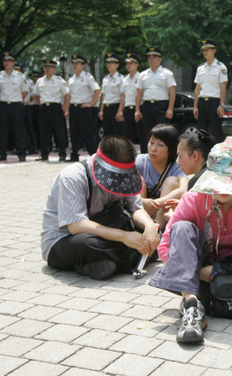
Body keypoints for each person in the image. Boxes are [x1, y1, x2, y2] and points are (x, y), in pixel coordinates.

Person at [149, 142, 232, 342]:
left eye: (230, 182)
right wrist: (202, 272)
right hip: (202, 279)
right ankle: (191, 307)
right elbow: (165, 248)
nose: (223, 189)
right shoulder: (193, 199)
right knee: (182, 228)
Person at [41, 135, 160, 280]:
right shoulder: (73, 176)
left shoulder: (126, 176)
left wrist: (150, 227)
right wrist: (124, 237)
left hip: (106, 230)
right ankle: (134, 256)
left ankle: (114, 261)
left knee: (146, 232)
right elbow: (76, 226)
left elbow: (135, 207)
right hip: (67, 240)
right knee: (87, 244)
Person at [135, 124, 189, 230]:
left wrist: (155, 203)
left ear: (171, 149)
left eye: (160, 145)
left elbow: (184, 190)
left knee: (171, 181)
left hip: (162, 212)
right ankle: (142, 226)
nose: (153, 148)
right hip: (141, 210)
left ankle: (157, 230)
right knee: (136, 178)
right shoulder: (140, 161)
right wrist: (142, 202)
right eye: (151, 143)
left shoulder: (176, 167)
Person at [135, 47, 177, 151]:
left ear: (160, 59)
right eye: (149, 58)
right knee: (147, 133)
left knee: (162, 132)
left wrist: (170, 108)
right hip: (147, 106)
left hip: (161, 106)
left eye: (154, 57)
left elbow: (172, 92)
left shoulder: (167, 73)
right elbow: (139, 93)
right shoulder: (143, 74)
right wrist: (137, 110)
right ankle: (147, 155)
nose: (151, 60)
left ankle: (164, 154)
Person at [0, 52, 29, 161]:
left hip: (16, 105)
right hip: (3, 104)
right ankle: (2, 153)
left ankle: (21, 153)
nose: (6, 63)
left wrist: (18, 102)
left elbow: (24, 92)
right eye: (5, 61)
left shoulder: (20, 76)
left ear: (13, 63)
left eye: (9, 61)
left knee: (19, 130)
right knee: (2, 131)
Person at [66, 54, 101, 162]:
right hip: (73, 107)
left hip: (83, 108)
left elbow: (97, 90)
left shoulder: (87, 77)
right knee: (74, 132)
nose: (75, 65)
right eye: (74, 63)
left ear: (83, 66)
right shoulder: (71, 79)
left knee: (88, 133)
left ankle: (94, 155)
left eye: (77, 63)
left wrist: (91, 103)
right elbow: (69, 95)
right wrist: (67, 109)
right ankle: (74, 154)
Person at [33, 59, 70, 161]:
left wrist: (64, 107)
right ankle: (44, 154)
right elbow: (36, 95)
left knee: (59, 132)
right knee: (43, 132)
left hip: (56, 108)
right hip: (45, 108)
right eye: (45, 67)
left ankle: (62, 154)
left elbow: (67, 95)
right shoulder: (40, 81)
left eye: (49, 67)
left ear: (54, 69)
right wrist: (41, 105)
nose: (47, 69)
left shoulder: (59, 81)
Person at [194, 39, 228, 143]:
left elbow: (223, 87)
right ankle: (202, 155)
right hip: (202, 102)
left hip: (214, 102)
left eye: (207, 50)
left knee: (216, 131)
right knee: (201, 132)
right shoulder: (200, 68)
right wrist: (195, 106)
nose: (205, 52)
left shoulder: (220, 67)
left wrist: (221, 104)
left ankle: (218, 156)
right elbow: (197, 88)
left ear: (214, 51)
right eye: (204, 50)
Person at [117, 53, 145, 152]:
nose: (129, 65)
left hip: (139, 109)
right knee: (127, 136)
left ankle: (144, 155)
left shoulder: (141, 77)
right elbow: (123, 96)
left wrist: (138, 110)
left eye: (131, 63)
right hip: (128, 109)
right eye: (127, 63)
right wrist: (120, 110)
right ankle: (127, 156)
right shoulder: (124, 79)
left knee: (142, 135)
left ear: (137, 64)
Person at [99, 53, 124, 137]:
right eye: (107, 63)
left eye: (111, 63)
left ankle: (118, 150)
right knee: (107, 133)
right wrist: (102, 110)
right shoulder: (105, 79)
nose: (108, 65)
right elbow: (104, 95)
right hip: (107, 107)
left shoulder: (121, 78)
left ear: (117, 65)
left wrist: (120, 110)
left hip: (115, 107)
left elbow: (123, 96)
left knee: (118, 132)